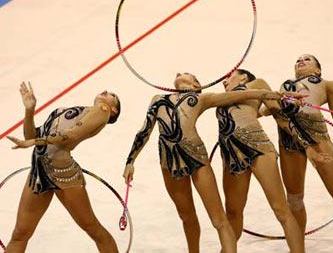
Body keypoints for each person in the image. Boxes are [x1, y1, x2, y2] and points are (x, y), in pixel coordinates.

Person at [122, 72, 300, 253]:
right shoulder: (158, 99)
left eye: (187, 74)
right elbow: (144, 130)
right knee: (187, 216)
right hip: (170, 162)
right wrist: (131, 160)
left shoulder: (202, 98)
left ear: (196, 85)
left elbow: (244, 95)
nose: (178, 74)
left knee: (219, 220)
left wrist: (275, 95)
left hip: (197, 158)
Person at [263, 54, 333, 252]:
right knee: (294, 200)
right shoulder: (285, 86)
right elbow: (274, 113)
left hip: (318, 141)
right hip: (290, 142)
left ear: (318, 70)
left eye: (308, 59)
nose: (301, 61)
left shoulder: (327, 85)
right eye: (297, 60)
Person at [6, 82, 121, 253]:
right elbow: (31, 135)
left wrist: (36, 141)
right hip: (39, 173)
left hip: (64, 175)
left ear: (114, 110)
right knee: (20, 233)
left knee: (93, 229)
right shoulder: (76, 110)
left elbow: (72, 135)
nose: (106, 90)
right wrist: (29, 110)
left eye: (112, 95)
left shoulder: (101, 112)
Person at [217, 69, 305, 252]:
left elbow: (279, 115)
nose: (224, 81)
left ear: (243, 77)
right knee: (232, 213)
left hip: (258, 147)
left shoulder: (256, 84)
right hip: (232, 155)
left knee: (280, 209)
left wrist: (307, 144)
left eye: (229, 77)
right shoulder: (223, 98)